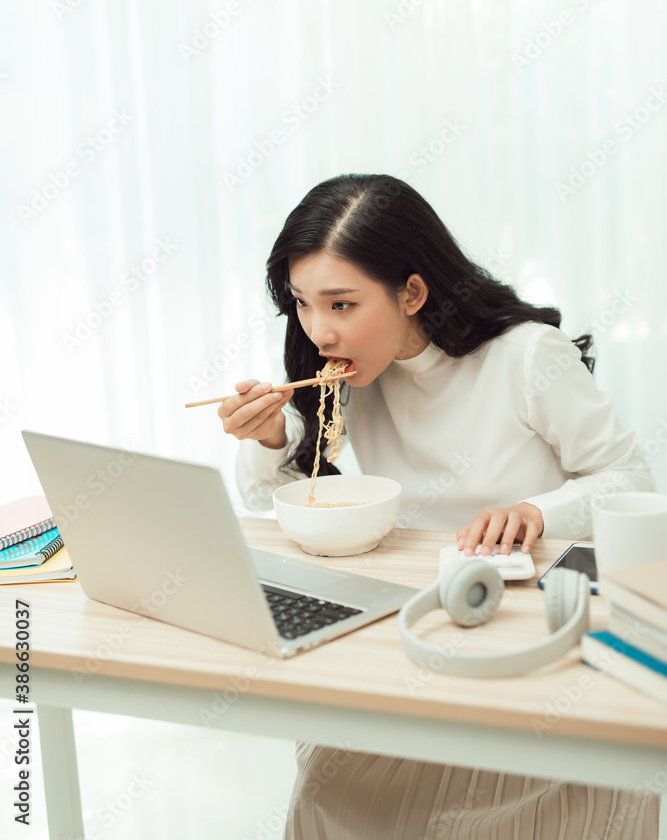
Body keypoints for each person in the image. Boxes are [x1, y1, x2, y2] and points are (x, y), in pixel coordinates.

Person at [222, 174, 659, 839]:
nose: (317, 332)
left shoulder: (523, 356)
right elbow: (267, 499)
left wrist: (537, 513)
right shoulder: (356, 373)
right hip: (416, 622)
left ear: (412, 292)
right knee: (331, 796)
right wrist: (270, 437)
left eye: (341, 304)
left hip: (529, 628)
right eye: (302, 304)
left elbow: (628, 477)